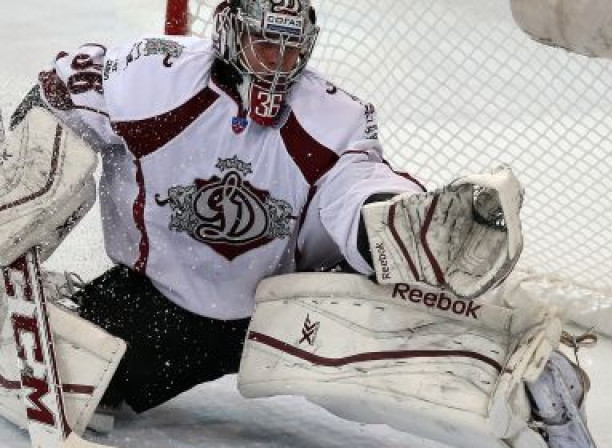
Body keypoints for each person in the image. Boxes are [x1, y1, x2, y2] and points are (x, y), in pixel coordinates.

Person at [17, 0, 522, 416]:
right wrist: (24, 168)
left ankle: (519, 388)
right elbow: (60, 92)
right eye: (266, 43)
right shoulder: (155, 75)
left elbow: (358, 185)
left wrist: (397, 220)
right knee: (81, 380)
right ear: (232, 35)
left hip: (271, 320)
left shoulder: (334, 116)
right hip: (153, 308)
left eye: (292, 47)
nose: (279, 62)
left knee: (407, 373)